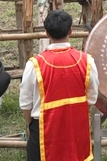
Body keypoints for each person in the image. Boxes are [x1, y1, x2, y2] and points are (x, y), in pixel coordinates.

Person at [20, 10, 99, 161]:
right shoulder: (87, 61)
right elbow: (92, 97)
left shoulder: (35, 64)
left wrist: (32, 126)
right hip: (76, 127)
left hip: (42, 127)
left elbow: (25, 102)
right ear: (70, 31)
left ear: (47, 33)